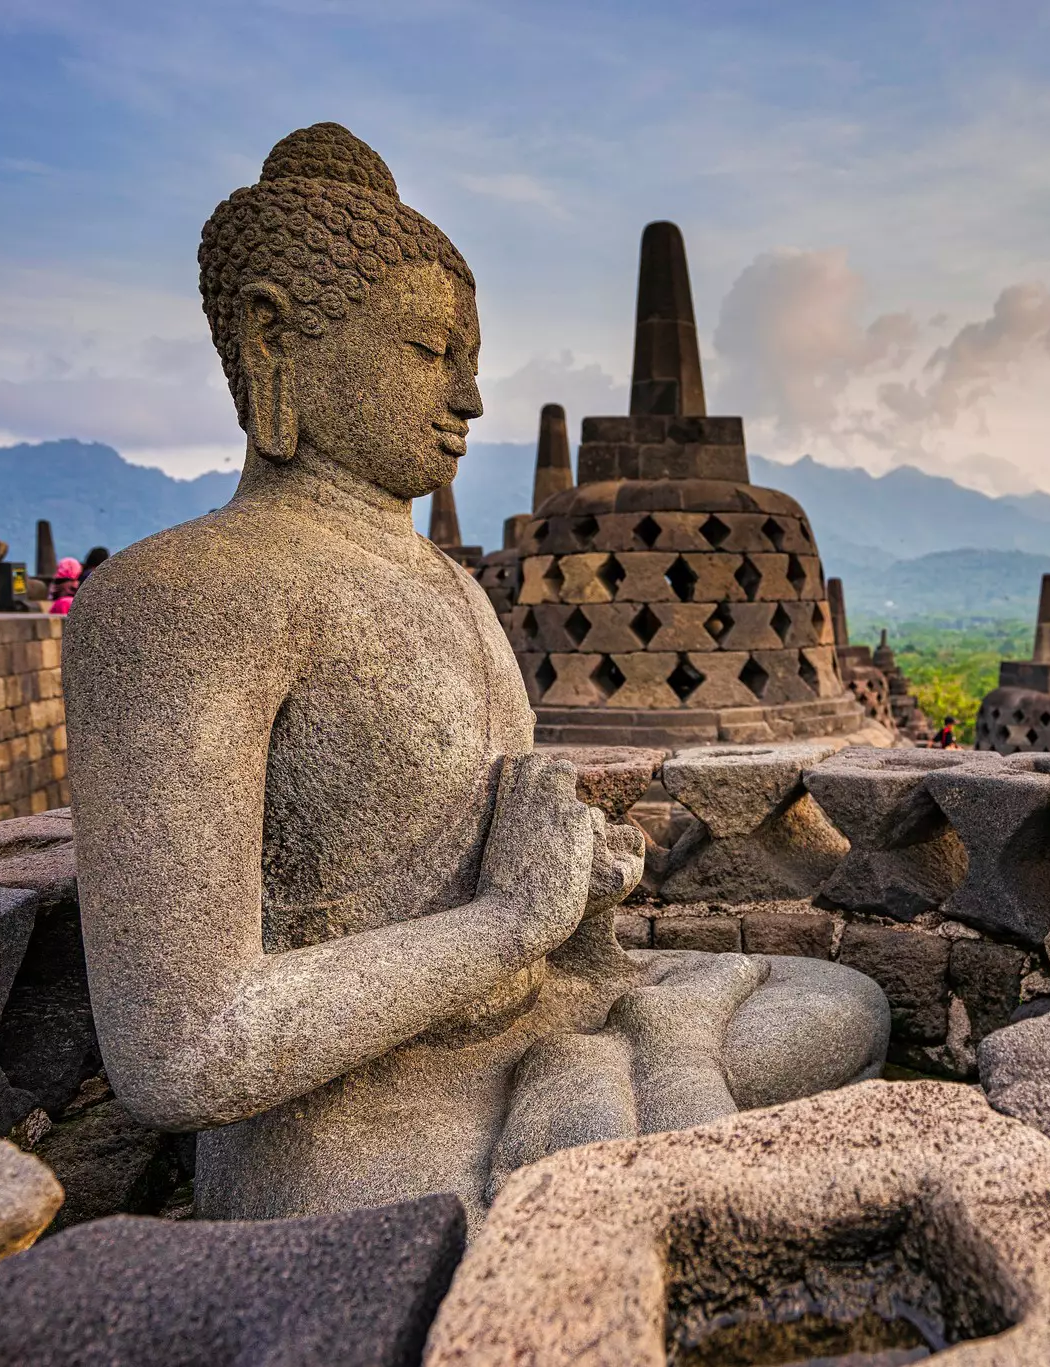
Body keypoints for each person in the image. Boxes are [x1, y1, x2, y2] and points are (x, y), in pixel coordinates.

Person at [62, 123, 886, 1221]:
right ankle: (625, 1098)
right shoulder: (182, 598)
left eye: (472, 359)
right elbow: (181, 1048)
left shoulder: (455, 588)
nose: (469, 399)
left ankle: (622, 1070)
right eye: (426, 351)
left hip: (539, 1016)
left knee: (842, 1000)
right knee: (598, 1138)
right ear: (274, 337)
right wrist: (506, 922)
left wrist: (574, 893)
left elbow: (490, 864)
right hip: (362, 1123)